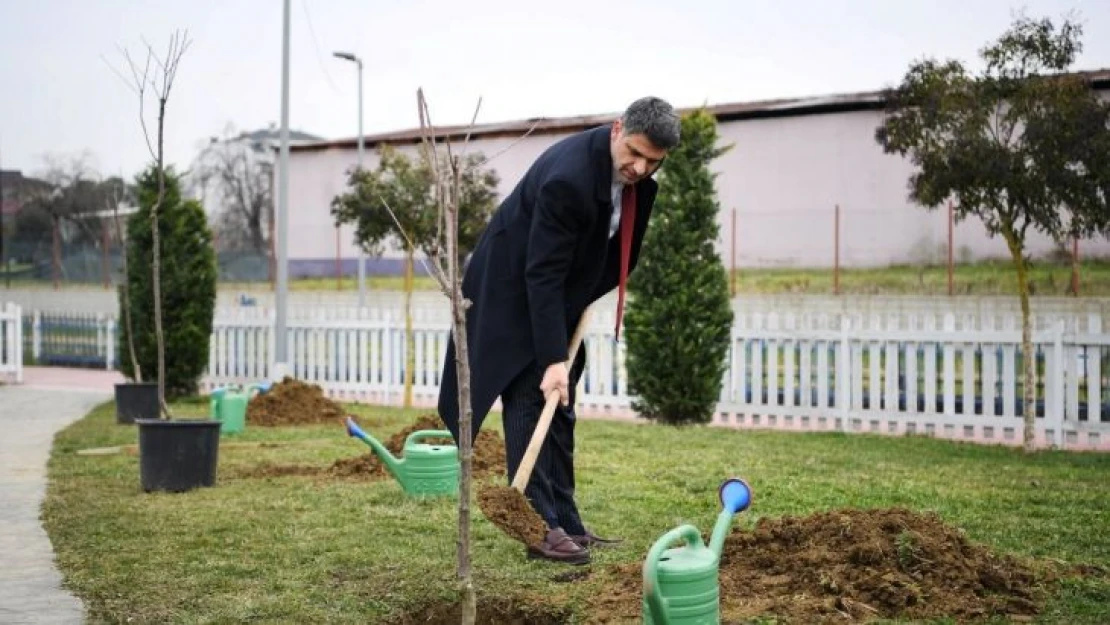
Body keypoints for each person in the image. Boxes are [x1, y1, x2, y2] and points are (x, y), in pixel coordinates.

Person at [437, 96, 681, 564]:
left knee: (560, 405)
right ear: (616, 129)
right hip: (514, 294)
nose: (640, 167)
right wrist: (552, 358)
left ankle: (566, 520)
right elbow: (541, 272)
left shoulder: (636, 183)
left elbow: (610, 255)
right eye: (634, 152)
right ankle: (539, 526)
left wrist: (570, 329)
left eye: (653, 161)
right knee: (532, 393)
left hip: (556, 295)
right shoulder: (569, 179)